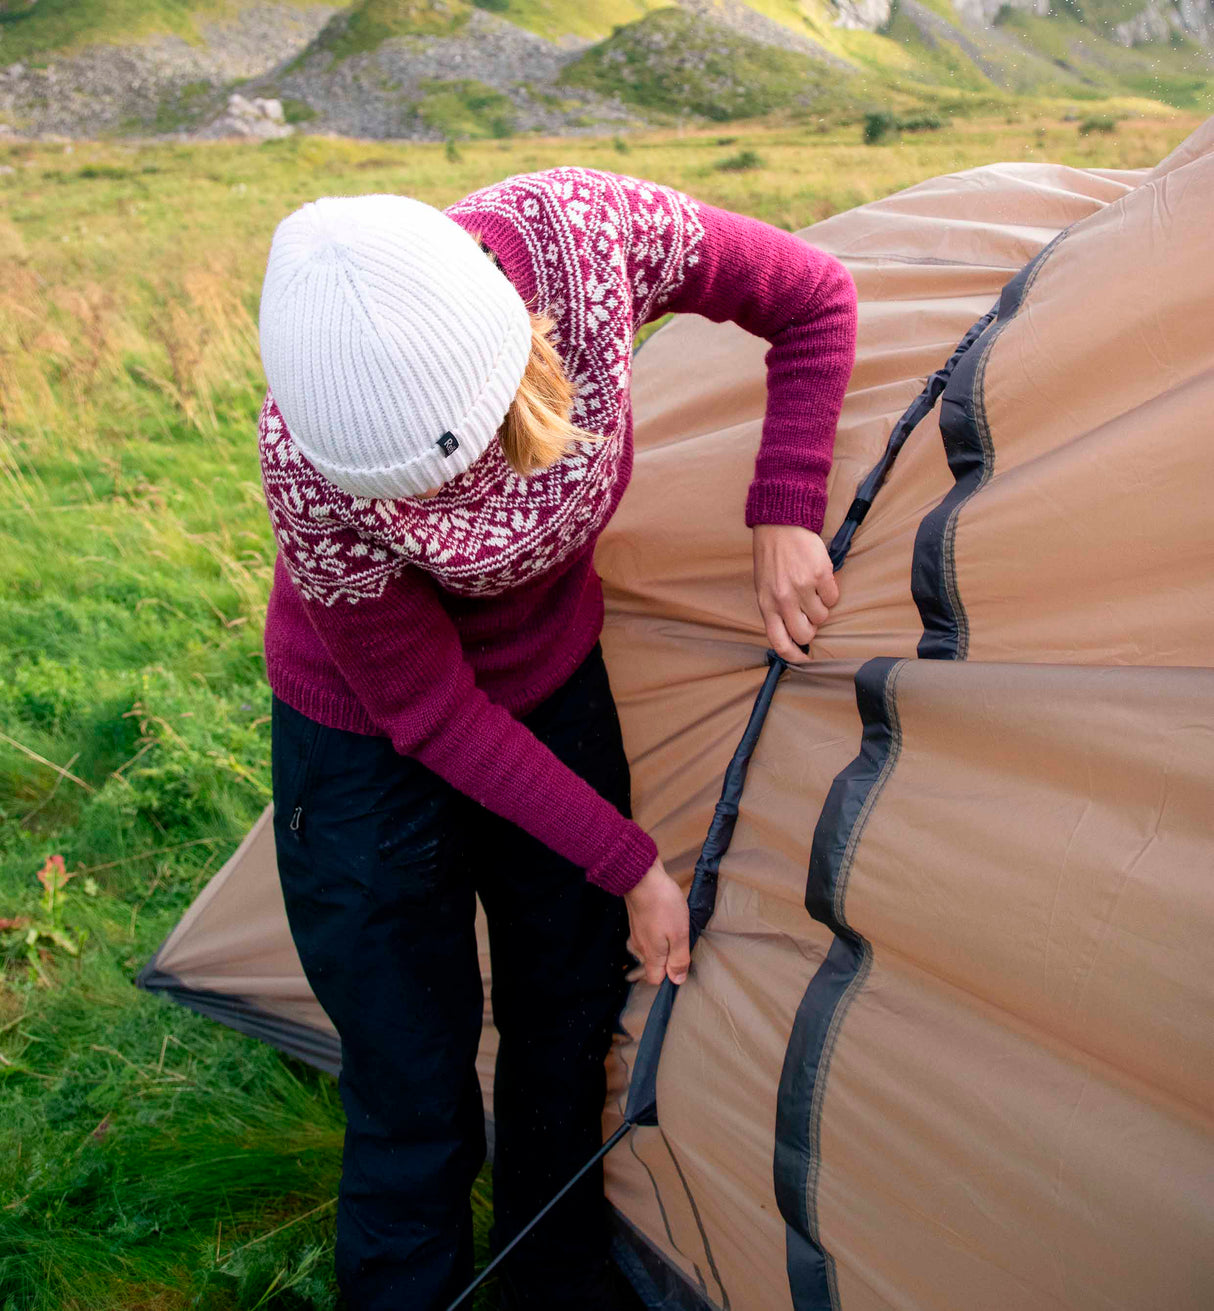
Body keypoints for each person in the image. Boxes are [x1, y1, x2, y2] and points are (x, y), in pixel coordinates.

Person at [255, 167, 857, 1311]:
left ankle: (550, 1284)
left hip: (552, 683)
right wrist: (626, 860)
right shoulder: (302, 458)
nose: (443, 509)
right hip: (364, 744)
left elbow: (813, 296)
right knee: (410, 1090)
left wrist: (783, 502)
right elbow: (429, 714)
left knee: (566, 1020)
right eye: (407, 495)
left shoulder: (589, 241)